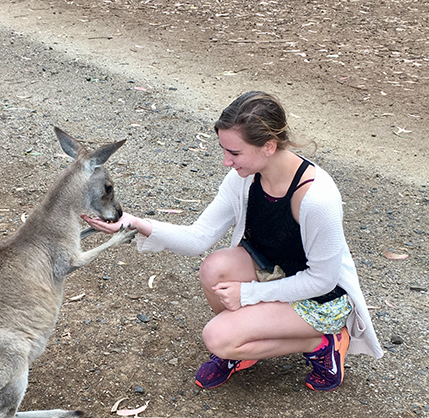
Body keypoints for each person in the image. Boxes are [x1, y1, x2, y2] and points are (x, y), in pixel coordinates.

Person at [82, 90, 383, 391]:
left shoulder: (317, 197)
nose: (226, 161)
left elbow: (323, 281)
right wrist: (132, 223)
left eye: (234, 153)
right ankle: (245, 344)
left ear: (269, 146)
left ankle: (324, 342)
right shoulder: (244, 176)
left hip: (321, 299)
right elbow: (199, 237)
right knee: (215, 268)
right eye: (224, 151)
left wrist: (248, 295)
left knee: (217, 338)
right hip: (275, 275)